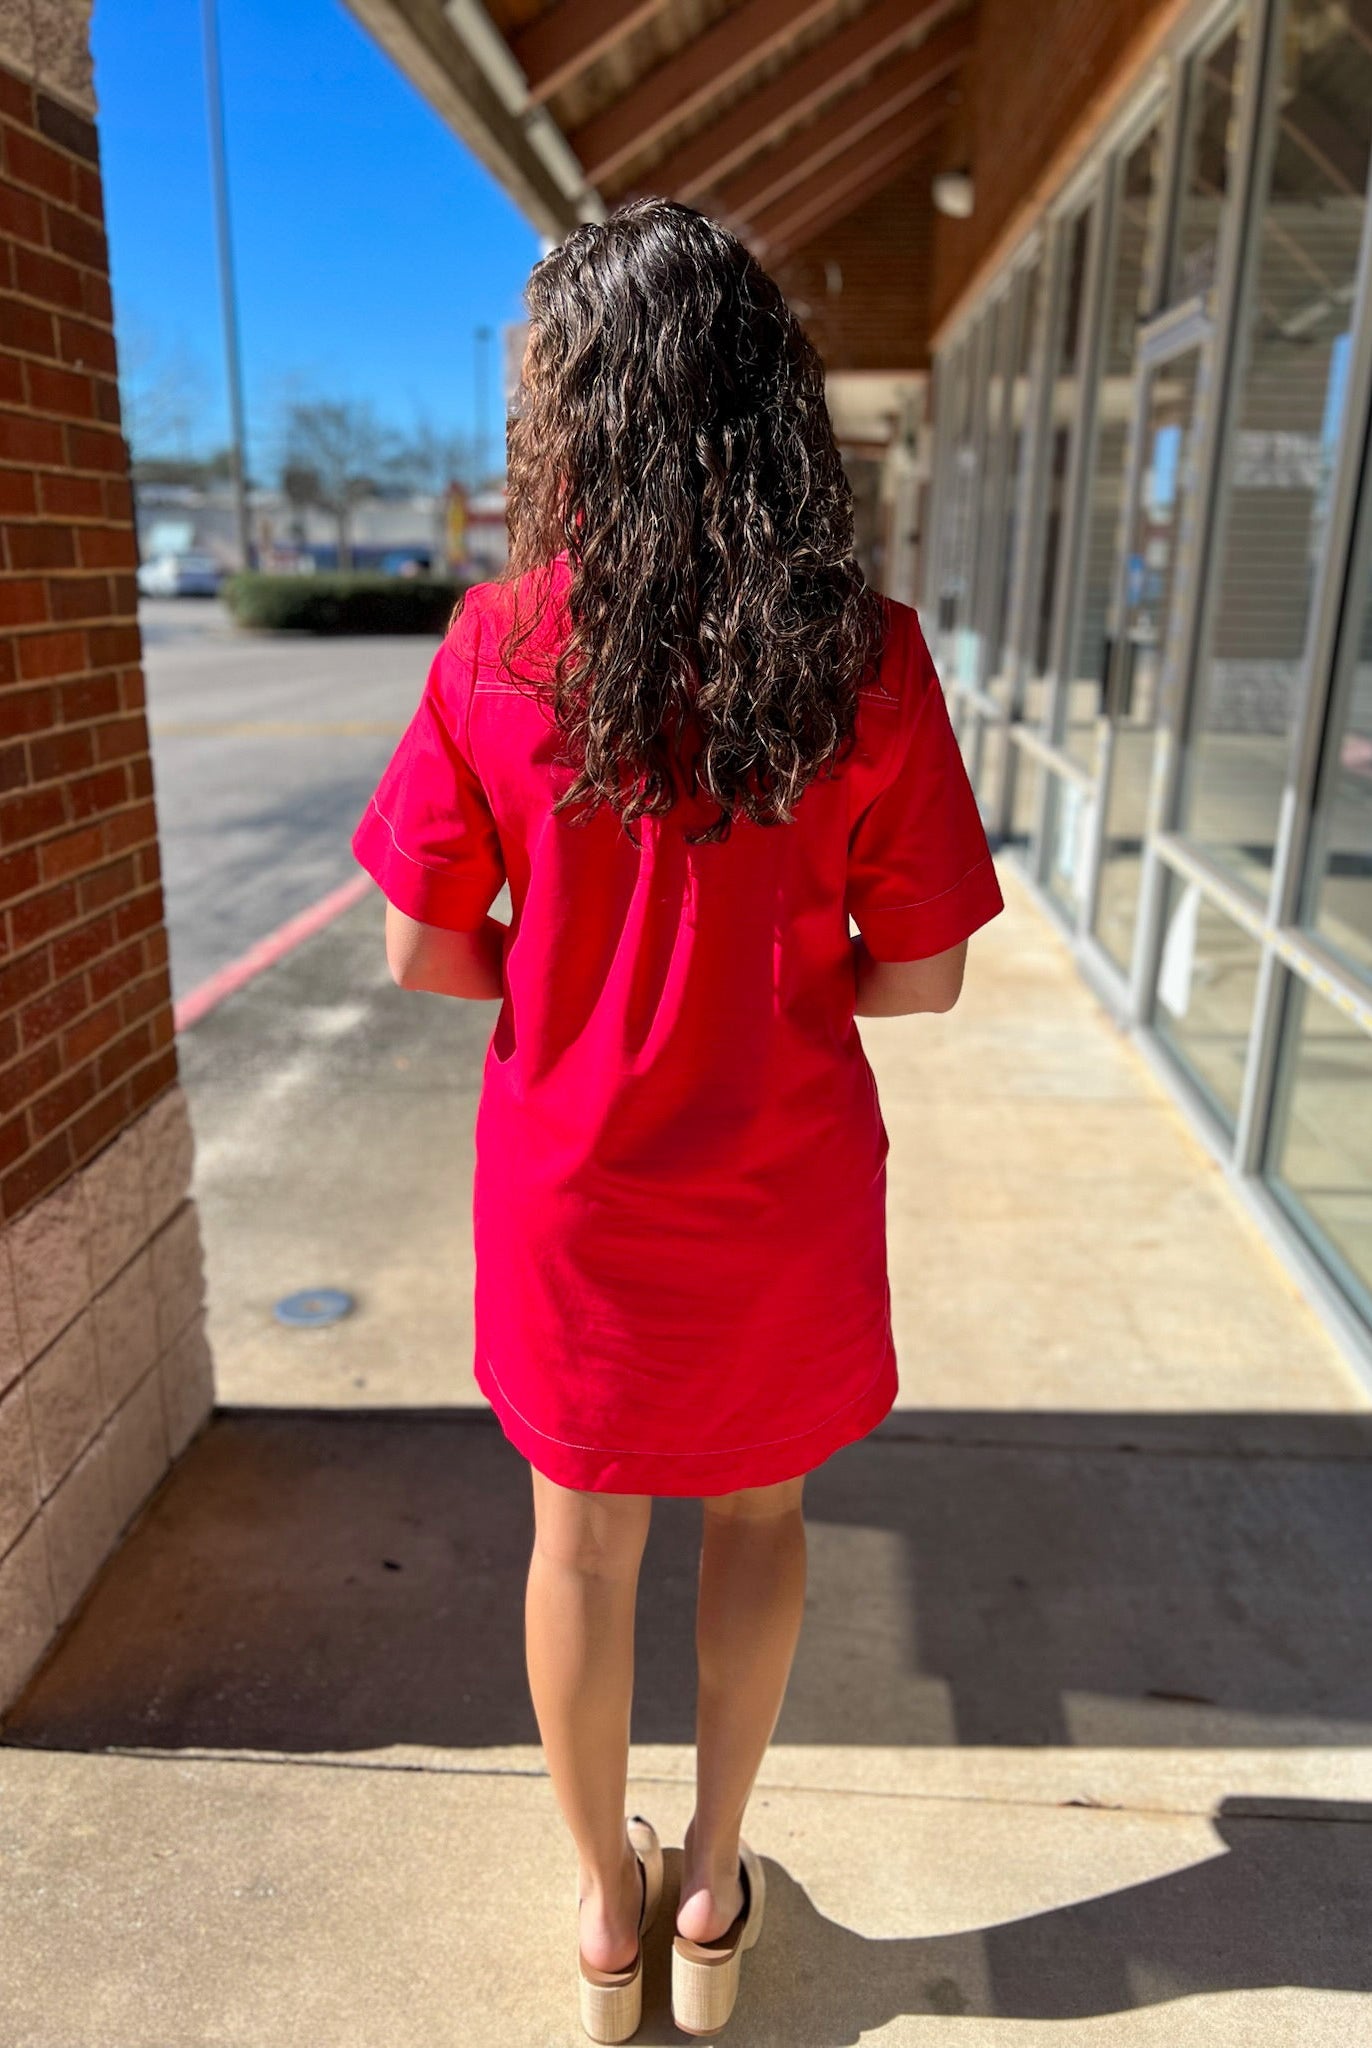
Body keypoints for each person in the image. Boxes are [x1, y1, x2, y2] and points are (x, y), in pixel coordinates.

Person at [350, 196, 1005, 2042]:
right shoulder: (864, 656)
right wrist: (783, 999)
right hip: (783, 1181)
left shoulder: (500, 643)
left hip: (576, 1185)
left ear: (579, 413)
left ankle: (602, 1919)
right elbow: (929, 974)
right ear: (768, 402)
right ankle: (714, 1877)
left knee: (580, 1538)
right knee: (761, 1518)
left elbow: (423, 950)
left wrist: (567, 983)